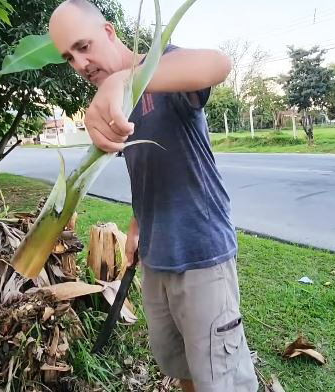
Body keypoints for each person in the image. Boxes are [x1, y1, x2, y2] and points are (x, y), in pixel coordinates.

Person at [49, 1, 258, 391]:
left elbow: (218, 63)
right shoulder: (119, 102)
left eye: (83, 46)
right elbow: (147, 168)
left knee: (221, 381)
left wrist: (121, 80)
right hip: (156, 259)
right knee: (182, 369)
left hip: (200, 254)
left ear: (109, 32)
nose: (79, 63)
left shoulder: (162, 67)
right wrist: (136, 224)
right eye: (68, 57)